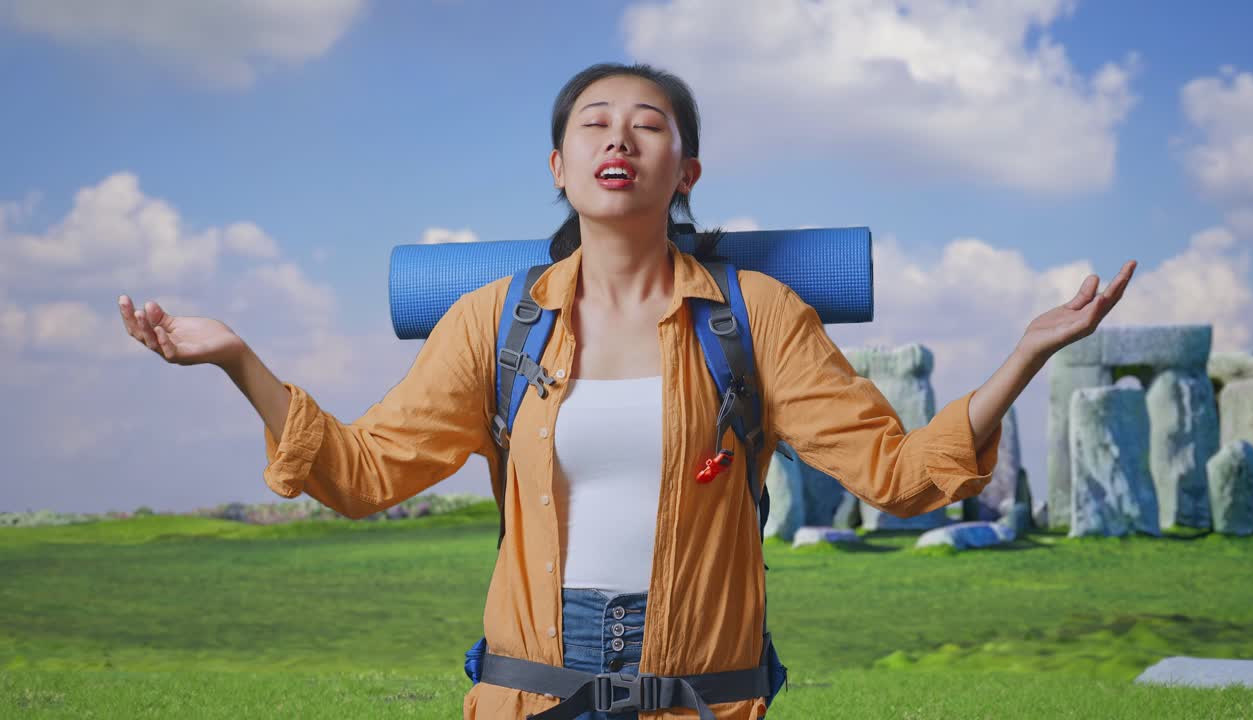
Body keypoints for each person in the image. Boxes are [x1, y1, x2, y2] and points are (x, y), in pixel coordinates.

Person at [117, 62, 1136, 719]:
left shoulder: (757, 317)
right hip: (528, 698)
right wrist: (239, 362)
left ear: (685, 167)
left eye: (647, 126)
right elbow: (362, 471)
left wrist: (1021, 359)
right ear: (557, 166)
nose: (619, 140)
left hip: (702, 701)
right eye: (594, 125)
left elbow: (899, 474)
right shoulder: (494, 323)